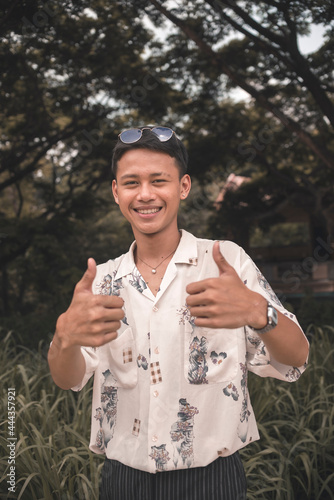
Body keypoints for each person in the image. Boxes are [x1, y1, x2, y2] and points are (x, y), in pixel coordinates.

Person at [48, 126, 309, 500]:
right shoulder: (102, 280)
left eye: (159, 180)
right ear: (116, 192)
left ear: (183, 187)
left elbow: (297, 359)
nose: (146, 194)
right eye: (132, 182)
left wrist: (257, 310)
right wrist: (64, 339)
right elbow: (67, 378)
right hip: (123, 481)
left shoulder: (226, 263)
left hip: (212, 481)